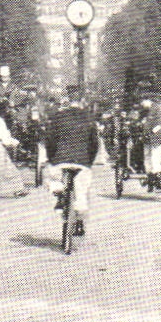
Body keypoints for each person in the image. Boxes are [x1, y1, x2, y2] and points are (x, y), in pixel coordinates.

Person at [43, 93, 101, 237]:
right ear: (82, 101)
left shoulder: (58, 117)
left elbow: (50, 140)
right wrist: (89, 161)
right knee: (82, 190)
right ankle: (80, 222)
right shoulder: (89, 118)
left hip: (60, 159)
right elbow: (94, 143)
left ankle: (60, 196)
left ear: (68, 102)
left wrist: (51, 159)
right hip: (82, 161)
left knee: (54, 179)